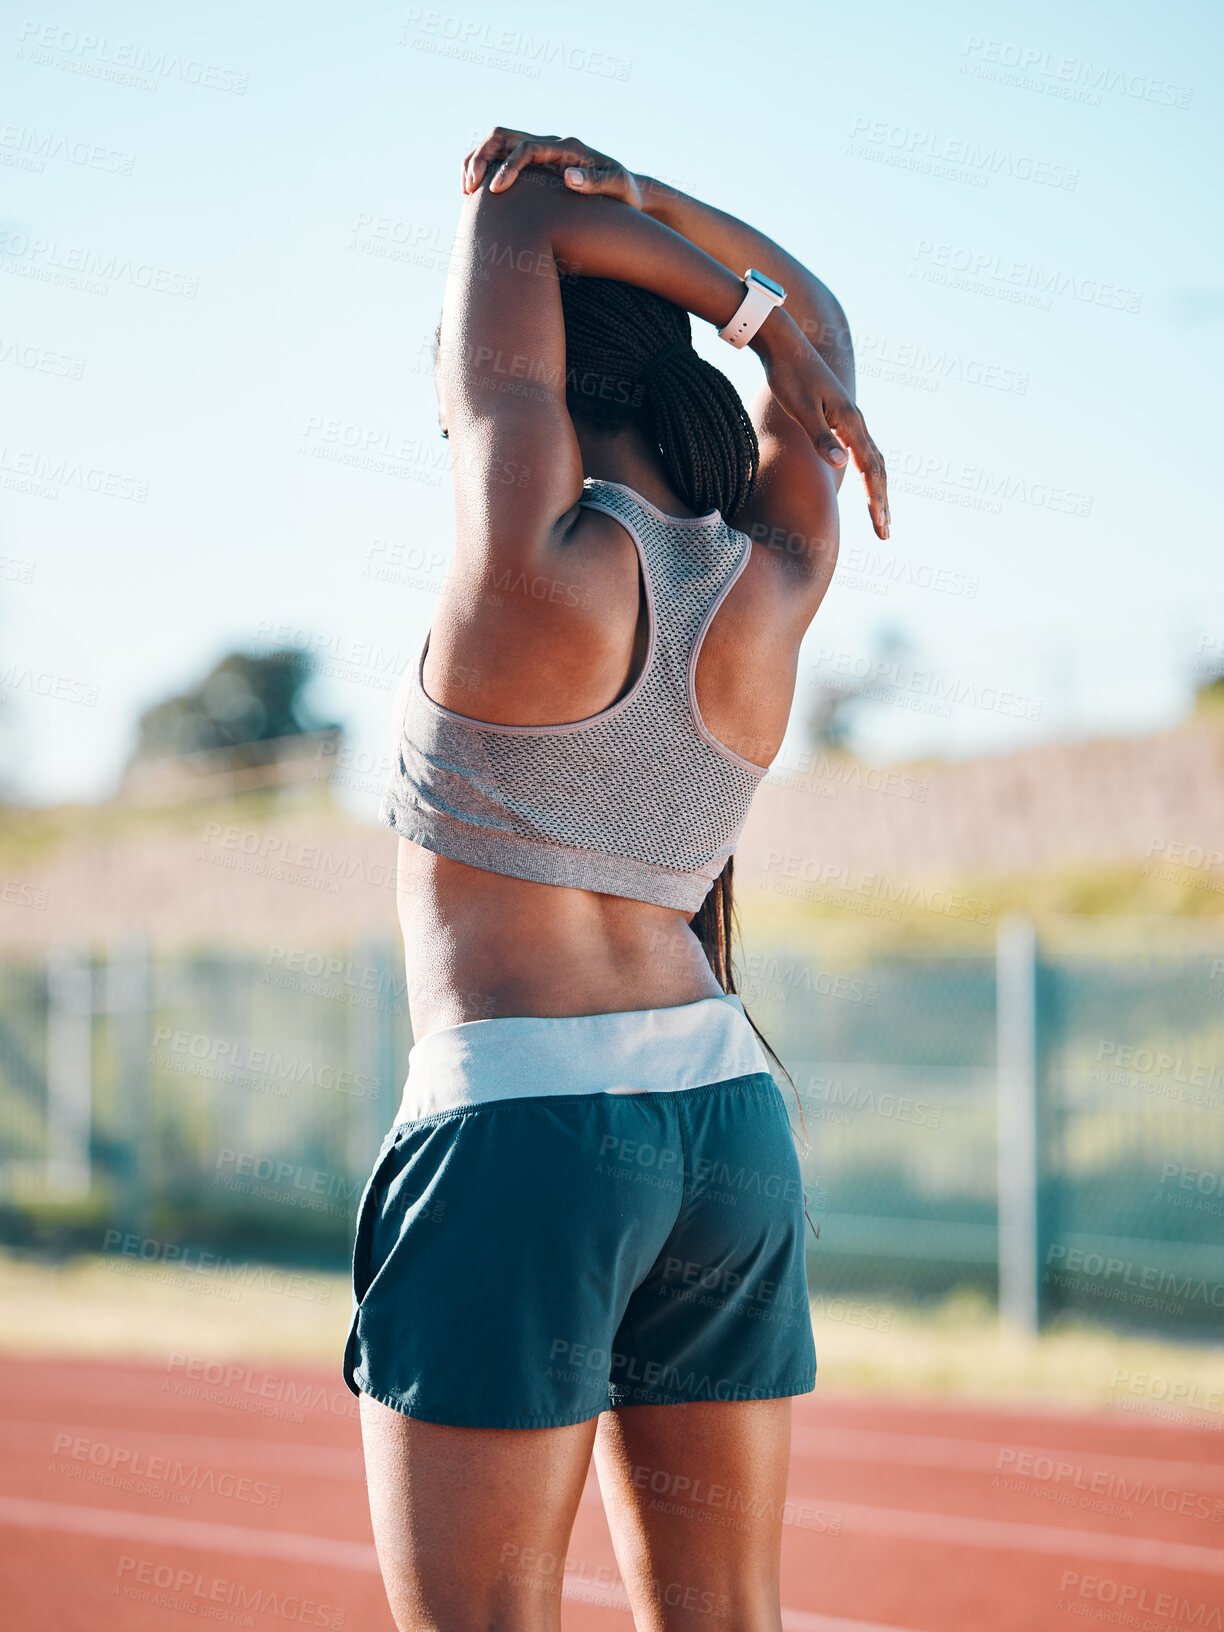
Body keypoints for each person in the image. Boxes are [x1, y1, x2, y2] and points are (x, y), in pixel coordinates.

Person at [343, 128, 890, 1631]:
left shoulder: (525, 549)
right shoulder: (774, 573)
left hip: (523, 1128)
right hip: (725, 1127)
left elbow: (509, 213)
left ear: (517, 362)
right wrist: (663, 223)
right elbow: (819, 325)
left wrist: (577, 205)